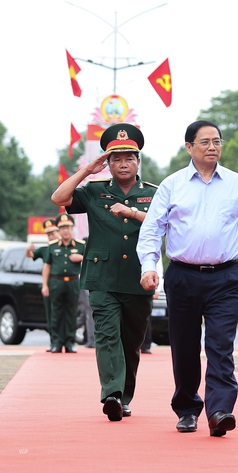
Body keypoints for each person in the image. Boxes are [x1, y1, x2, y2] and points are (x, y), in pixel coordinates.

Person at [136, 120, 238, 437]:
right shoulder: (172, 185)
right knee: (184, 346)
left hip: (226, 277)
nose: (212, 147)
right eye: (205, 141)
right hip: (183, 276)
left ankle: (220, 410)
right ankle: (187, 408)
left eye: (217, 141)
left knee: (220, 346)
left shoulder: (237, 184)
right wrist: (148, 267)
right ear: (189, 147)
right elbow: (152, 231)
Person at [51, 123, 156, 422]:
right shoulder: (95, 191)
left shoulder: (153, 193)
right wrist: (86, 171)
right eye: (116, 159)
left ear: (138, 161)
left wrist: (132, 212)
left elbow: (167, 225)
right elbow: (59, 199)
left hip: (139, 277)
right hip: (102, 278)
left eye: (129, 158)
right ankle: (111, 394)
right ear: (107, 164)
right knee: (107, 336)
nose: (123, 164)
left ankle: (124, 395)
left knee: (131, 343)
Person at [42, 213, 85, 353]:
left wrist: (81, 257)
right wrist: (45, 285)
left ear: (72, 229)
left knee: (71, 313)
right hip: (56, 282)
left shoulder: (80, 245)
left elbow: (91, 262)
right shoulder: (52, 246)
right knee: (56, 313)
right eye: (62, 228)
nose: (65, 230)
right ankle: (56, 342)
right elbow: (47, 266)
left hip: (73, 282)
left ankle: (69, 342)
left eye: (68, 227)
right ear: (59, 231)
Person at [26, 218, 59, 351]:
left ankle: (66, 342)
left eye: (53, 233)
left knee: (65, 313)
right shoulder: (45, 249)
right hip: (51, 282)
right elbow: (30, 255)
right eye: (49, 234)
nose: (51, 236)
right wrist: (28, 250)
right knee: (51, 314)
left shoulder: (67, 246)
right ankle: (54, 342)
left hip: (65, 282)